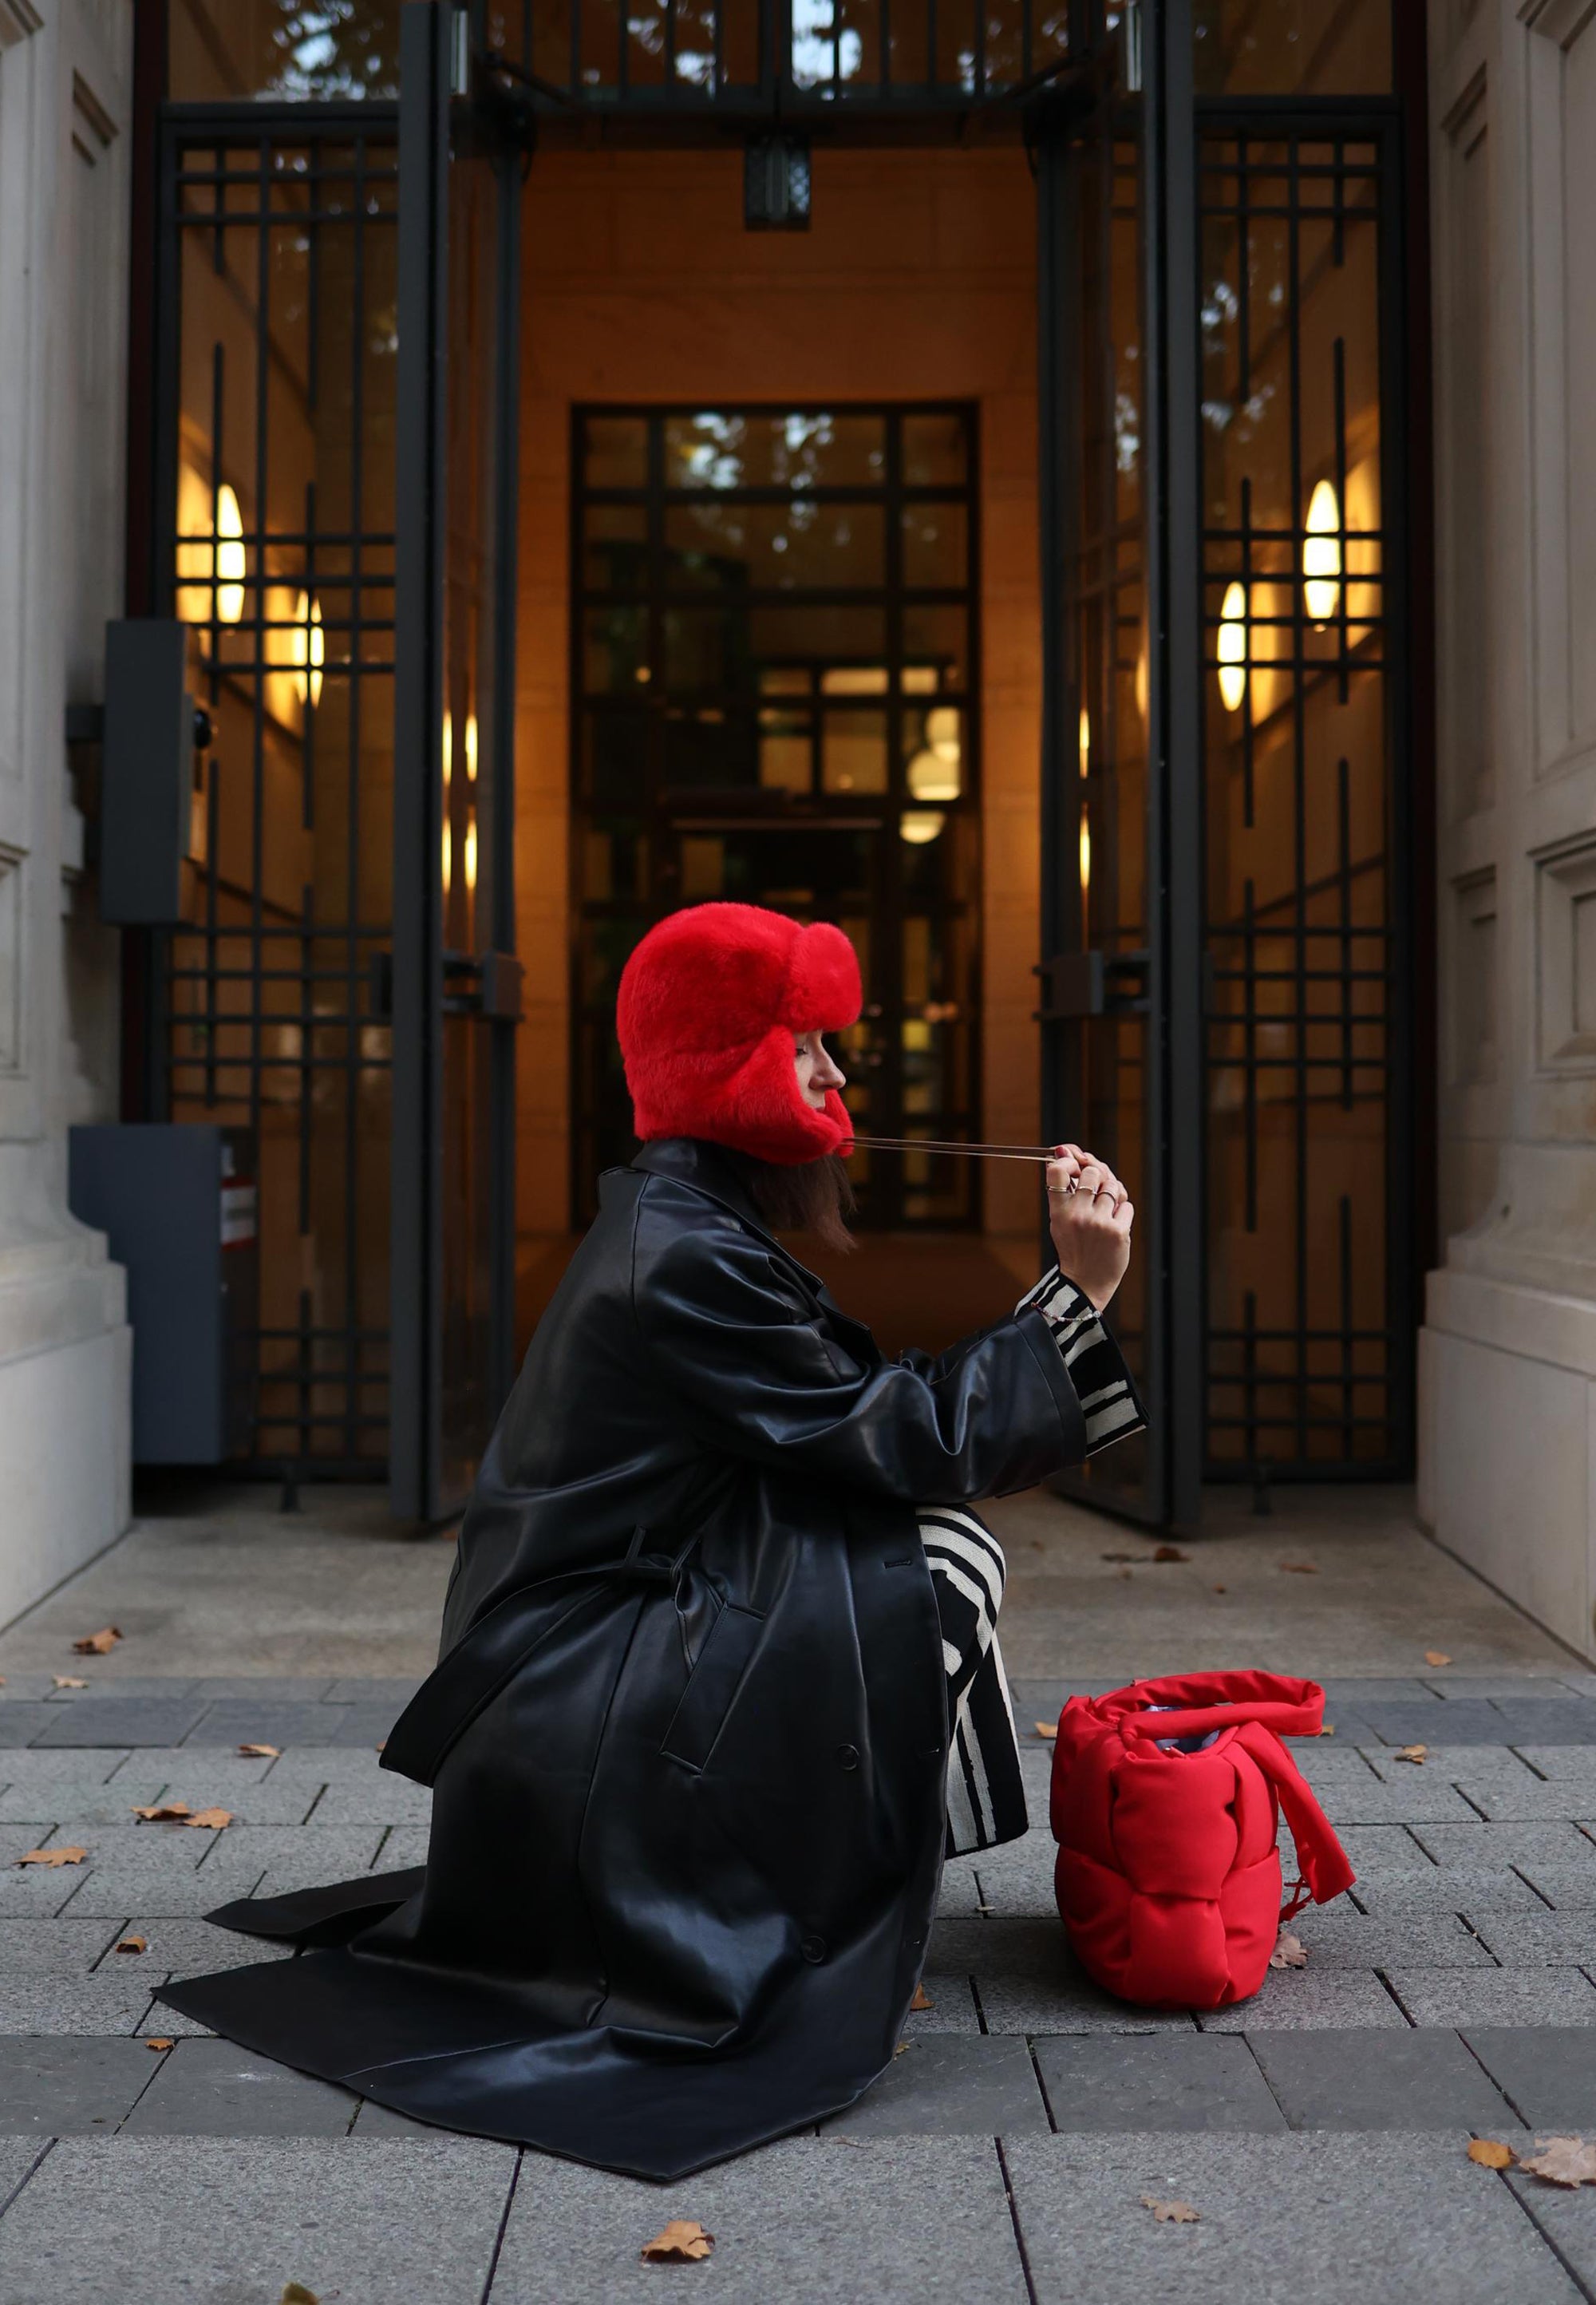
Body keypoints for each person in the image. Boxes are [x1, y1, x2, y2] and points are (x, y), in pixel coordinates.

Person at [162, 900, 1144, 2179]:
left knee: (927, 1551)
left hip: (606, 1626)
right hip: (574, 1672)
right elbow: (904, 1438)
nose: (838, 1075)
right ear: (734, 1069)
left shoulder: (685, 1221)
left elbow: (854, 1424)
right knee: (939, 1565)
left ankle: (872, 1871)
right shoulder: (679, 1253)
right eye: (807, 1049)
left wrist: (1052, 1312)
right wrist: (1078, 1294)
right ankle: (863, 1889)